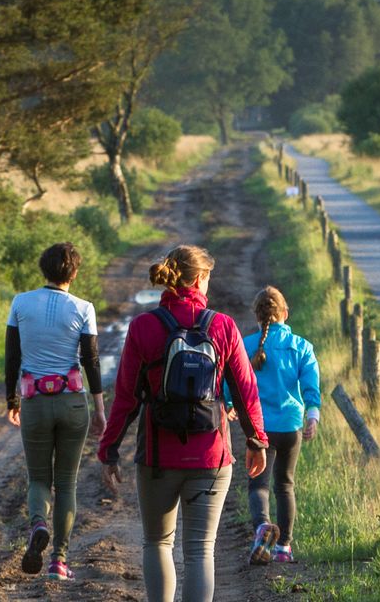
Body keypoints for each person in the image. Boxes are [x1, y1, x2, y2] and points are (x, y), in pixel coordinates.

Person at [97, 245, 270, 602]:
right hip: (212, 457)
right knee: (199, 550)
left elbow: (126, 398)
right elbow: (245, 391)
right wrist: (256, 442)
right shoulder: (222, 326)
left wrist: (109, 449)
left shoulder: (144, 327)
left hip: (158, 457)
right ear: (200, 278)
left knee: (158, 543)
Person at [4, 242, 107, 580]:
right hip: (73, 402)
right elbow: (91, 361)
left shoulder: (20, 303)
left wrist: (12, 400)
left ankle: (37, 525)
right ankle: (59, 562)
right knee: (66, 483)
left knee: (37, 478)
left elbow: (12, 358)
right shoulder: (84, 308)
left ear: (42, 268)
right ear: (74, 273)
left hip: (34, 401)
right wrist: (100, 408)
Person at [227, 286, 320, 566]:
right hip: (291, 425)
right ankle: (284, 547)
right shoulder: (302, 346)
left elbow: (231, 379)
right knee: (285, 485)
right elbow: (310, 385)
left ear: (257, 316)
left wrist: (230, 404)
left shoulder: (246, 344)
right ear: (285, 314)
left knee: (258, 484)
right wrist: (312, 416)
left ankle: (262, 528)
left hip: (259, 428)